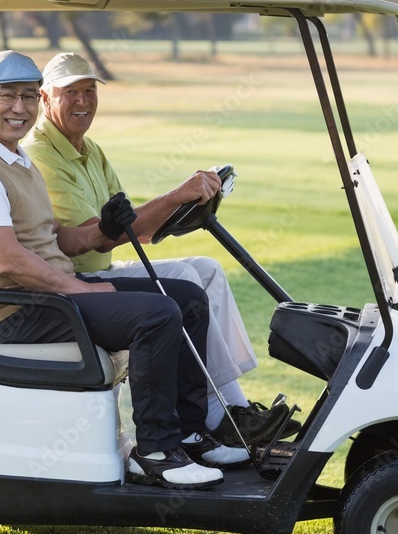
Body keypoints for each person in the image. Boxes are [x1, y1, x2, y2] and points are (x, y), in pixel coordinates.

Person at [0, 50, 250, 489]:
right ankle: (156, 450)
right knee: (156, 315)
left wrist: (100, 230)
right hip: (18, 313)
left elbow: (52, 238)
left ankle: (186, 433)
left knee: (186, 297)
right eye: (7, 96)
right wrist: (77, 289)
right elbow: (8, 260)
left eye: (27, 96)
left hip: (47, 298)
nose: (20, 108)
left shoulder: (14, 158)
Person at [24, 52, 300, 446]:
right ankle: (218, 416)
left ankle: (230, 407)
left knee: (206, 269)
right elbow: (98, 234)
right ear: (46, 98)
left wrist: (182, 205)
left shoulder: (91, 151)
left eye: (89, 90)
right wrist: (175, 196)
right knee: (185, 280)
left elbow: (135, 228)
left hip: (102, 266)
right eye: (71, 92)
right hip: (75, 277)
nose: (83, 101)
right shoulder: (43, 155)